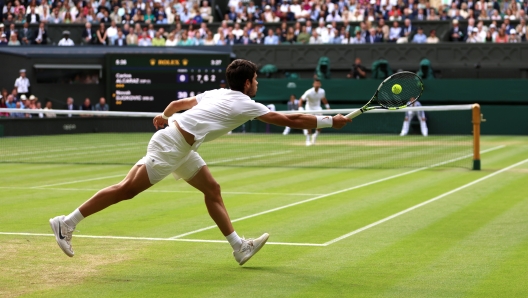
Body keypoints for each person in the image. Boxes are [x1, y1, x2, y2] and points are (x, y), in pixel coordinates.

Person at [49, 59, 351, 265]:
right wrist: (327, 121)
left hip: (180, 145)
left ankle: (239, 248)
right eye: (256, 79)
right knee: (127, 189)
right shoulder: (245, 103)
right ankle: (67, 223)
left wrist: (164, 116)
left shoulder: (216, 92)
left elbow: (176, 105)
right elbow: (290, 118)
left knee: (212, 189)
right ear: (247, 83)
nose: (257, 83)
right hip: (171, 145)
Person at [298, 78, 331, 146]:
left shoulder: (322, 91)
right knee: (309, 124)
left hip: (318, 108)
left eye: (318, 83)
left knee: (321, 123)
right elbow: (301, 99)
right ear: (313, 84)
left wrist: (327, 107)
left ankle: (315, 136)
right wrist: (300, 108)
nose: (317, 84)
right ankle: (308, 140)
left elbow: (323, 98)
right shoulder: (309, 92)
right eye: (316, 83)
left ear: (320, 84)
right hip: (309, 109)